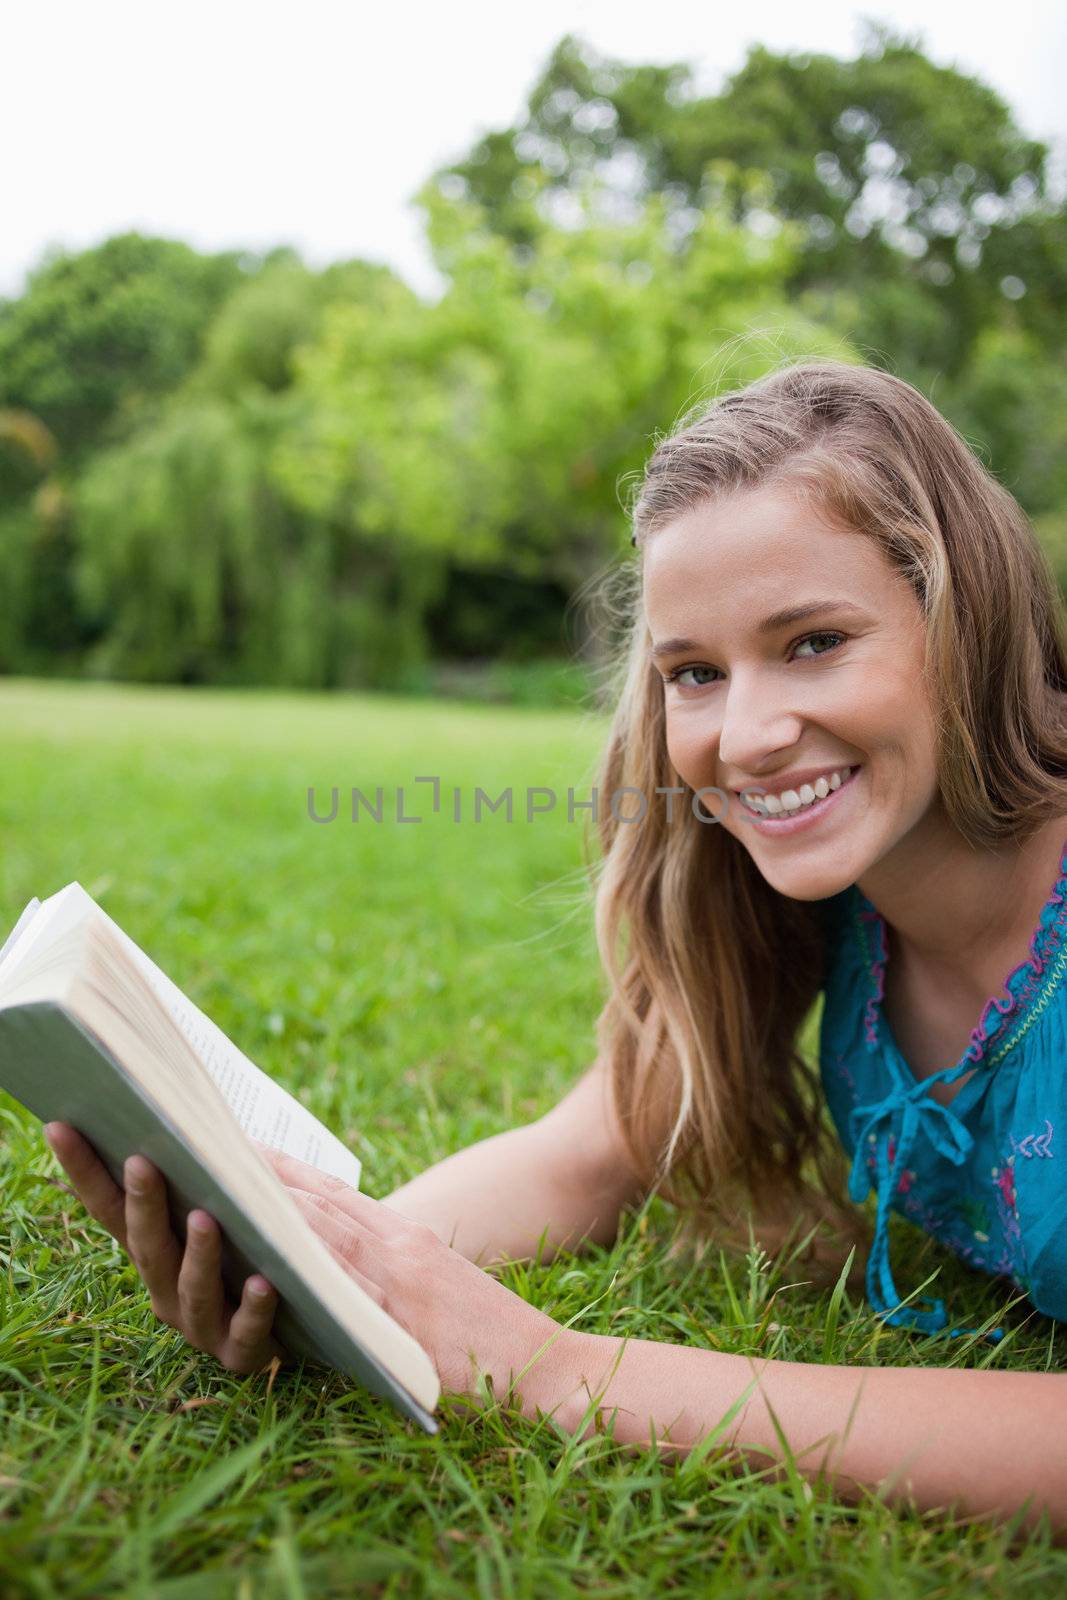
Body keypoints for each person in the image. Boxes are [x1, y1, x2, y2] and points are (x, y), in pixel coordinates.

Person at [44, 361, 1067, 1538]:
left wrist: (549, 1366)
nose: (744, 734)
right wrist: (325, 1267)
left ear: (962, 618)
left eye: (814, 642)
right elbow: (587, 1152)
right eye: (694, 671)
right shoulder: (822, 900)